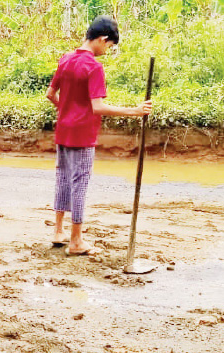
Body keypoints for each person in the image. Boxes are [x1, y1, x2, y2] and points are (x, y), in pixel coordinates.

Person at [46, 15, 152, 255]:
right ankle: (75, 241)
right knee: (79, 183)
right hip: (82, 134)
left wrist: (68, 110)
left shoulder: (66, 59)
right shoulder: (93, 66)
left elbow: (51, 95)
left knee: (63, 178)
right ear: (103, 39)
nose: (107, 51)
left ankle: (58, 231)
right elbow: (98, 107)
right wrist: (134, 111)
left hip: (63, 130)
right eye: (110, 46)